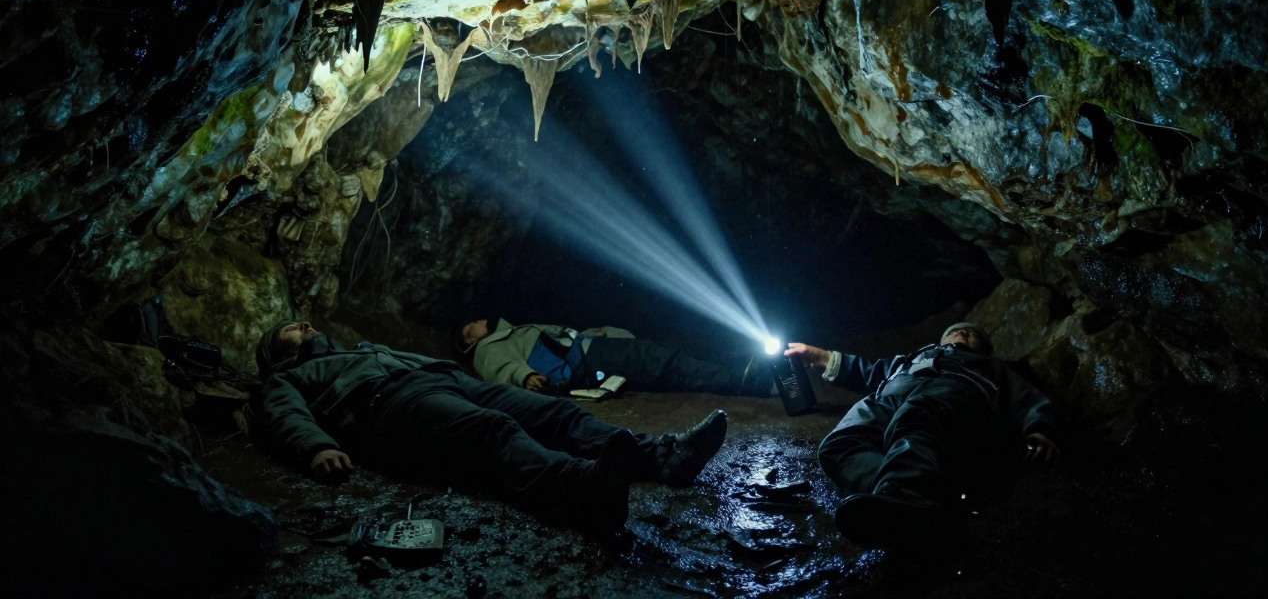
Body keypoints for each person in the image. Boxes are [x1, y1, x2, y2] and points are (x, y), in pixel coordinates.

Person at [255, 319, 729, 534]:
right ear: (276, 352)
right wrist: (315, 445)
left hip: (446, 381)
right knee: (492, 431)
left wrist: (458, 374)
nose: (306, 327)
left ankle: (664, 456)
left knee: (555, 414)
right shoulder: (289, 376)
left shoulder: (359, 349)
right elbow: (282, 412)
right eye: (290, 330)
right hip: (392, 405)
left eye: (305, 323)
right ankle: (584, 490)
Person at [784, 322, 1060, 549]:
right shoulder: (911, 359)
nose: (963, 332)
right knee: (836, 446)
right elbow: (867, 371)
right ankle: (909, 501)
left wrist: (1039, 430)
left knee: (918, 417)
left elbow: (1028, 398)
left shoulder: (992, 368)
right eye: (956, 330)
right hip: (888, 398)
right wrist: (819, 356)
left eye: (973, 334)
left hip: (948, 392)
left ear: (985, 349)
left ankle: (905, 498)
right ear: (940, 340)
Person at [458, 317, 775, 396]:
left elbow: (559, 337)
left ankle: (737, 376)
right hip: (586, 362)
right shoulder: (487, 347)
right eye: (470, 325)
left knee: (659, 362)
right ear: (471, 339)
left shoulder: (511, 332)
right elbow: (499, 367)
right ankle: (743, 382)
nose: (476, 321)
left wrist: (596, 332)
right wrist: (523, 377)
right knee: (658, 361)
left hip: (587, 353)